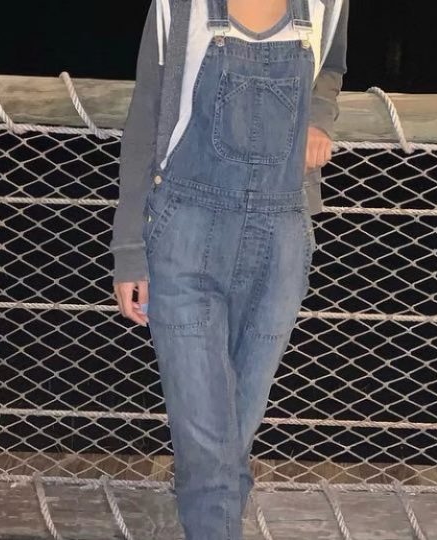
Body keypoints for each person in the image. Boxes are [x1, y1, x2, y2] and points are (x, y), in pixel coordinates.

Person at [110, 0, 348, 537]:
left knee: (230, 441)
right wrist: (129, 249)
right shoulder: (177, 6)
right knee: (207, 447)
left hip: (282, 236)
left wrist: (317, 116)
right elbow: (146, 114)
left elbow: (330, 67)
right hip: (185, 230)